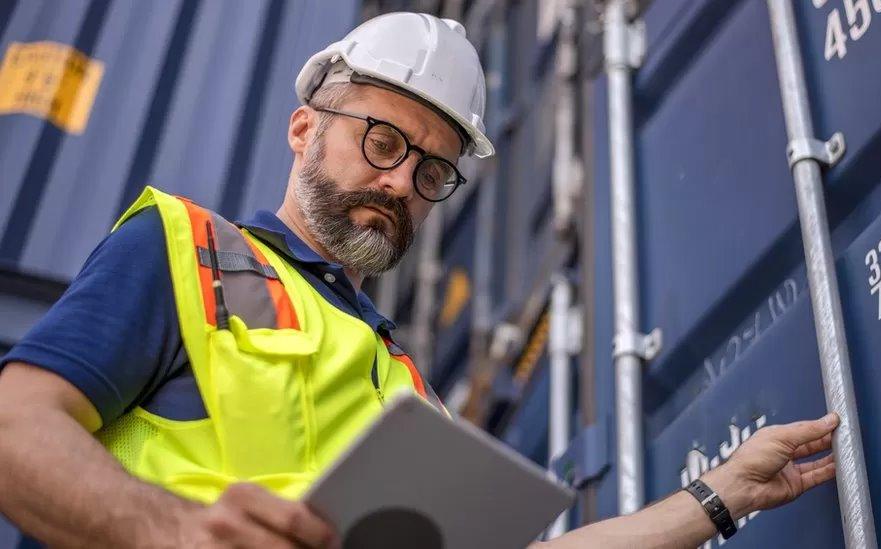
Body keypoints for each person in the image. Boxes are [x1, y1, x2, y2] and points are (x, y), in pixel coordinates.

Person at [0, 11, 838, 549]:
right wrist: (173, 531)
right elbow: (13, 430)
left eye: (434, 168)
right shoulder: (183, 248)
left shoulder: (409, 394)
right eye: (383, 142)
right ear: (303, 129)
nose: (404, 182)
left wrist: (721, 494)